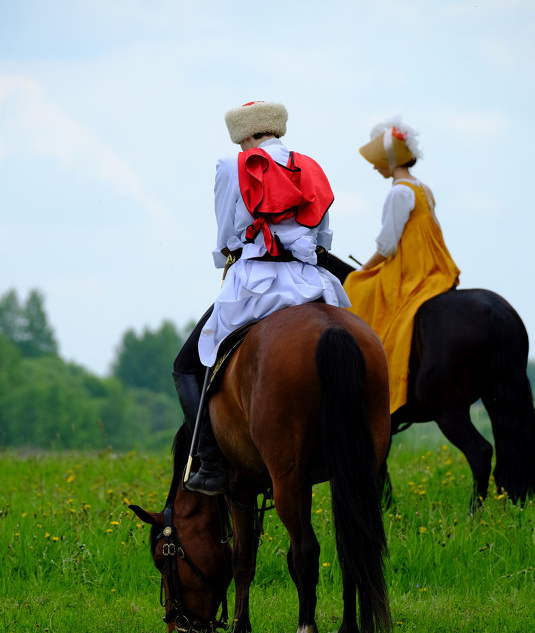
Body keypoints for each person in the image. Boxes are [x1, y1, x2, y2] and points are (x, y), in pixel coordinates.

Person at [173, 100, 350, 495]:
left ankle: (211, 463)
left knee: (186, 366)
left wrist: (226, 258)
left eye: (241, 141)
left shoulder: (230, 167)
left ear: (247, 135)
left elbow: (224, 234)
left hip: (253, 284)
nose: (240, 149)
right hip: (310, 283)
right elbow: (323, 234)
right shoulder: (310, 165)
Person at [343, 117, 460, 414]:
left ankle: (370, 380)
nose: (374, 167)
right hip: (436, 266)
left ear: (389, 160)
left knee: (356, 289)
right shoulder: (423, 188)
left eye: (378, 161)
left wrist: (363, 270)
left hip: (409, 271)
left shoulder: (398, 192)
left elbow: (387, 246)